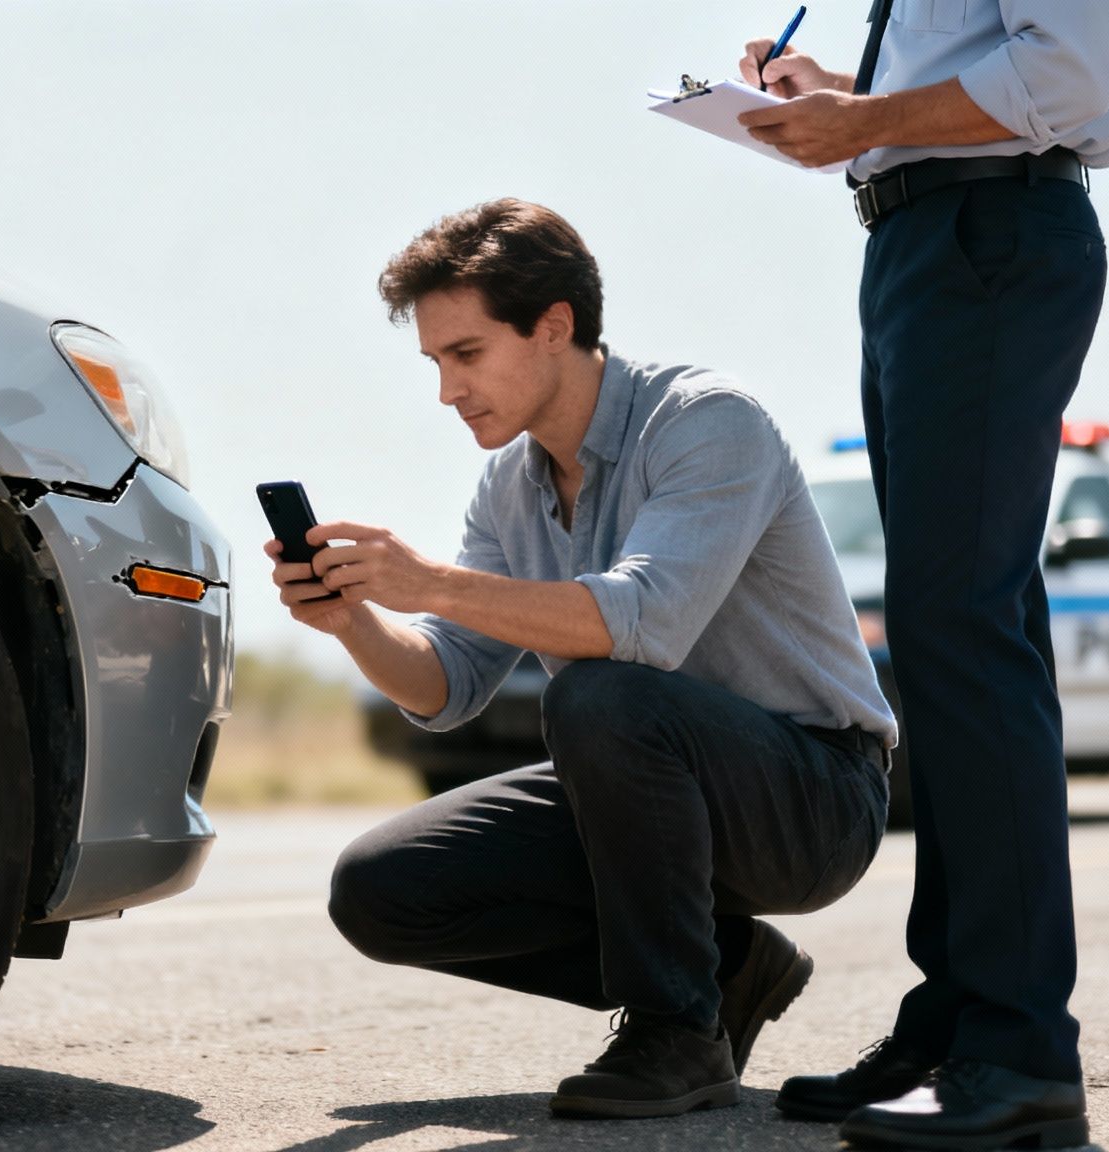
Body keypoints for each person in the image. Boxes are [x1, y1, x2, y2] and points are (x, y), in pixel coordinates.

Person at [263, 198, 897, 1119]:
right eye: (436, 362)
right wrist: (354, 620)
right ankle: (725, 972)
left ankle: (677, 1031)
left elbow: (642, 623)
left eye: (467, 354)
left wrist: (431, 580)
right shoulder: (508, 484)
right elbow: (447, 688)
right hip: (639, 787)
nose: (447, 390)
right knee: (381, 891)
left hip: (813, 799)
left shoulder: (709, 422)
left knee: (601, 694)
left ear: (554, 327)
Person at [731, 3, 1109, 1148]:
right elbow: (965, 68)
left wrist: (861, 114)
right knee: (955, 631)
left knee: (959, 627)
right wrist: (841, 95)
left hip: (987, 235)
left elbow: (1059, 74)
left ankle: (1015, 1050)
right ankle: (961, 1020)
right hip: (922, 242)